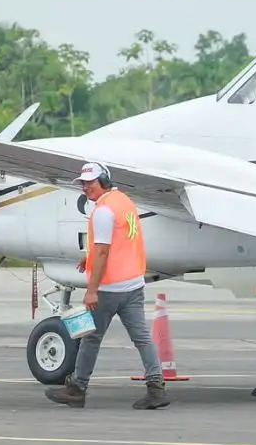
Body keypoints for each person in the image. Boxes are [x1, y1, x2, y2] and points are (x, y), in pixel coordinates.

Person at [46, 162, 169, 410]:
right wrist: (90, 258)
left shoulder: (103, 211)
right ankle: (156, 388)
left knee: (90, 338)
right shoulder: (123, 201)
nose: (86, 187)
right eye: (83, 183)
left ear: (103, 181)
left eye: (90, 182)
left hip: (110, 289)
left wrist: (92, 290)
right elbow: (118, 242)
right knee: (142, 338)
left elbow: (103, 251)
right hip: (133, 284)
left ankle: (77, 388)